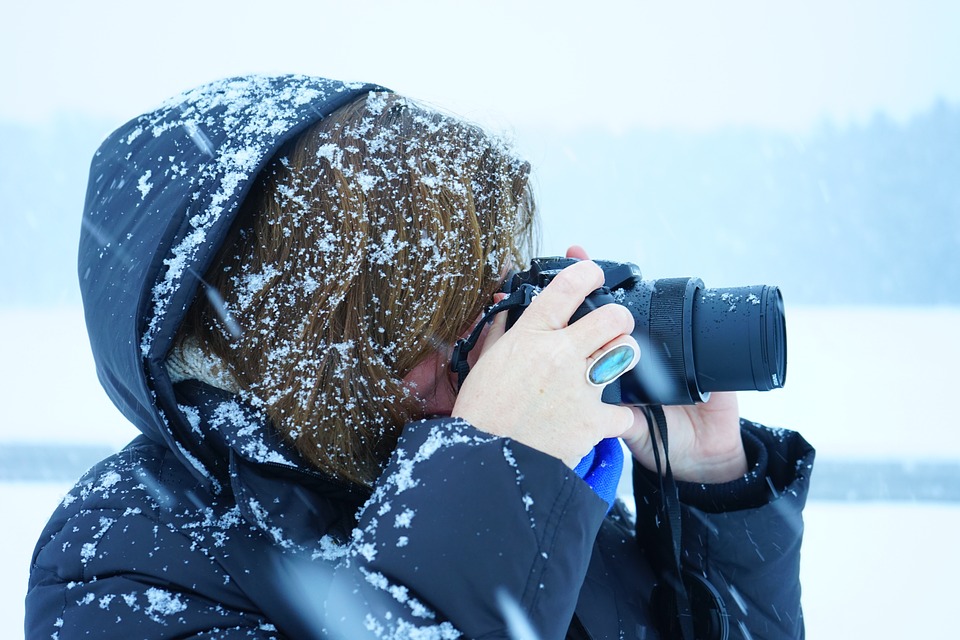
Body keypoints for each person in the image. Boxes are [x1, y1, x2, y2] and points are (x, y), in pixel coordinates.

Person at [25, 75, 814, 639]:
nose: (497, 339)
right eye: (441, 316)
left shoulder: (551, 504)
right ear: (303, 346)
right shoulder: (125, 560)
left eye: (497, 289)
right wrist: (493, 478)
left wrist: (709, 494)